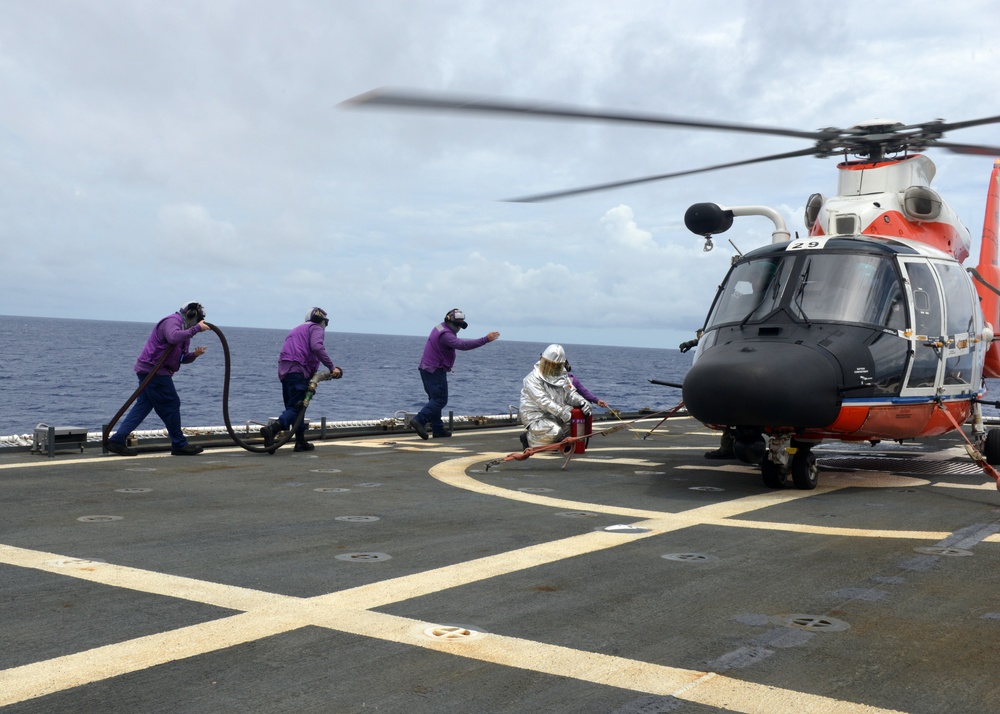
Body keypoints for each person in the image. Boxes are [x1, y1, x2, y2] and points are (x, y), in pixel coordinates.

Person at [105, 301, 211, 456]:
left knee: (143, 406)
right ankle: (179, 444)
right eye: (197, 320)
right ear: (191, 314)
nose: (197, 323)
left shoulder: (185, 332)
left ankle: (117, 440)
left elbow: (180, 357)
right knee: (172, 403)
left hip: (153, 371)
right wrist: (196, 329)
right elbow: (173, 337)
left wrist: (194, 355)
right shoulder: (172, 322)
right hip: (154, 371)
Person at [261, 307, 342, 452]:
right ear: (321, 321)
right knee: (296, 408)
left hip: (285, 371)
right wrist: (332, 367)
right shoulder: (316, 328)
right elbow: (317, 347)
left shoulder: (297, 330)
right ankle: (272, 429)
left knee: (295, 408)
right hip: (299, 370)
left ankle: (299, 441)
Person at [410, 308, 500, 439]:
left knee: (434, 400)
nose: (458, 327)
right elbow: (462, 345)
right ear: (450, 322)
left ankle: (438, 429)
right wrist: (485, 339)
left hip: (426, 368)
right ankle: (419, 420)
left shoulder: (439, 327)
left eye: (460, 324)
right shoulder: (446, 335)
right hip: (435, 370)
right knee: (440, 400)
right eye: (457, 324)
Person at [518, 344, 591, 451]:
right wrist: (562, 413)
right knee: (555, 432)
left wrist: (583, 402)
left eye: (555, 366)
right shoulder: (532, 379)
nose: (551, 368)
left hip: (555, 413)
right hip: (535, 416)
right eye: (548, 364)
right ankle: (529, 439)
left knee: (575, 423)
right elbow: (543, 400)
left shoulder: (562, 377)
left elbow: (570, 394)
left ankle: (559, 442)